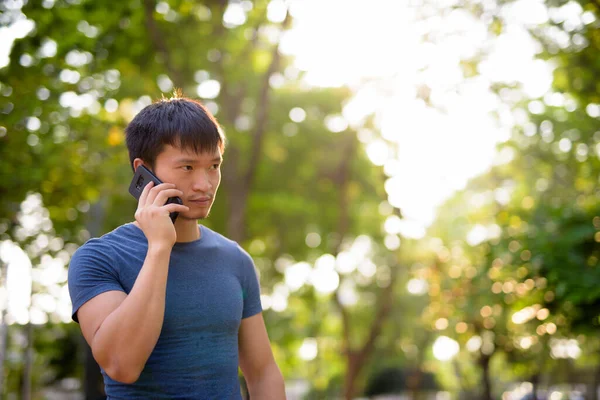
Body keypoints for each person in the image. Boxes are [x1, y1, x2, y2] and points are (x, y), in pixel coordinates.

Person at [68, 95, 286, 399]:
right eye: (187, 167)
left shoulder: (235, 260)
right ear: (143, 171)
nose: (204, 184)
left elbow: (262, 374)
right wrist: (159, 247)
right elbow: (122, 364)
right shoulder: (99, 258)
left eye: (213, 166)